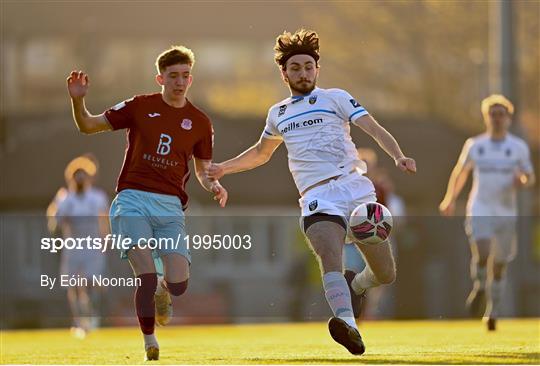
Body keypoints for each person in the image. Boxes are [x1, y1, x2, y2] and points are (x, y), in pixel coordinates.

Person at [207, 29, 416, 355]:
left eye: (308, 67)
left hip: (355, 187)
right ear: (284, 73)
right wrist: (224, 168)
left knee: (385, 274)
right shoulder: (278, 113)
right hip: (318, 196)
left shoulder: (336, 97)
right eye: (295, 68)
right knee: (327, 254)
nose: (302, 73)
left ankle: (357, 284)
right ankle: (348, 324)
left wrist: (398, 155)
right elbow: (261, 153)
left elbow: (372, 128)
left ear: (317, 69)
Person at [66, 45, 228, 360]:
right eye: (172, 76)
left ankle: (165, 292)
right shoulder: (140, 106)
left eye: (184, 76)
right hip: (132, 200)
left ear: (190, 79)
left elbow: (203, 170)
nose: (179, 82)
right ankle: (150, 342)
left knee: (178, 284)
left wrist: (214, 184)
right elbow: (87, 125)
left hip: (170, 207)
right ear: (160, 78)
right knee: (147, 276)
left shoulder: (199, 121)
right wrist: (77, 100)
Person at [439, 94, 535, 331]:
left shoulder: (518, 147)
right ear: (486, 117)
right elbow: (461, 172)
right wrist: (449, 198)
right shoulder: (475, 145)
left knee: (500, 265)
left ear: (508, 118)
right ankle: (480, 286)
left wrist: (522, 180)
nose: (497, 119)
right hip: (480, 207)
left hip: (506, 211)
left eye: (501, 114)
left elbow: (530, 177)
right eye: (493, 114)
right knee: (482, 252)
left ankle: (493, 312)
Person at [47, 155, 109, 338]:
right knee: (72, 285)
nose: (80, 180)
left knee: (91, 283)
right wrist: (57, 213)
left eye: (83, 175)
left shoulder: (97, 197)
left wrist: (106, 241)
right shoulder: (65, 199)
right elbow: (54, 224)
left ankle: (91, 315)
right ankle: (79, 321)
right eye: (76, 176)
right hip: (73, 245)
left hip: (93, 245)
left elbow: (104, 222)